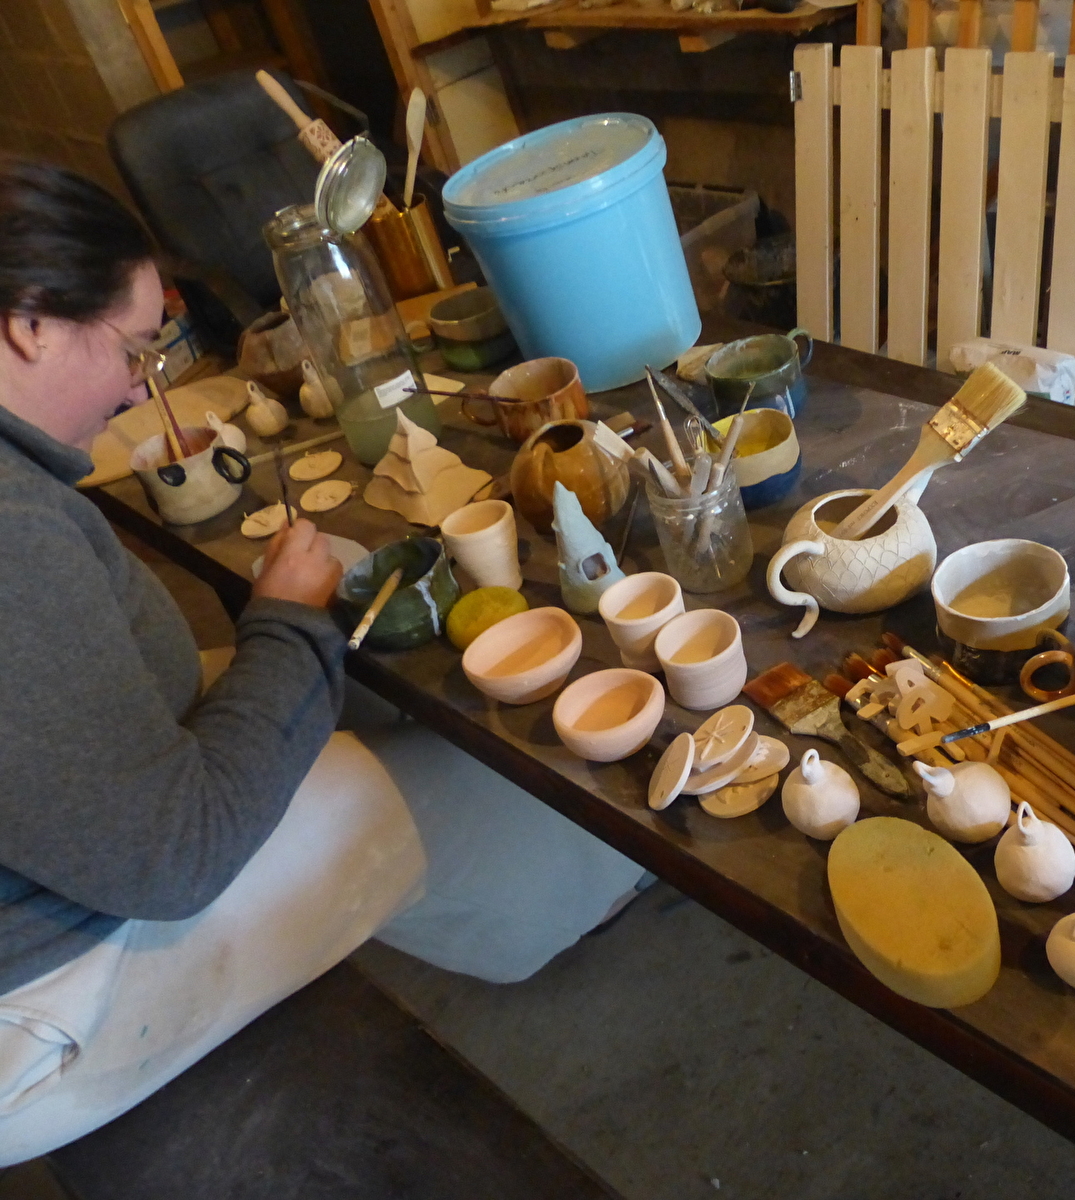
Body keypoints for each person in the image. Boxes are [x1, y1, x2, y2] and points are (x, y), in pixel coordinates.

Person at [0, 158, 643, 1164]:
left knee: (352, 704)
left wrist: (278, 650)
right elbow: (174, 855)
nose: (137, 384)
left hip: (88, 860)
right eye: (134, 349)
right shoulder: (11, 535)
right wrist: (286, 623)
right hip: (54, 997)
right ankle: (588, 896)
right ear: (30, 324)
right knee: (525, 781)